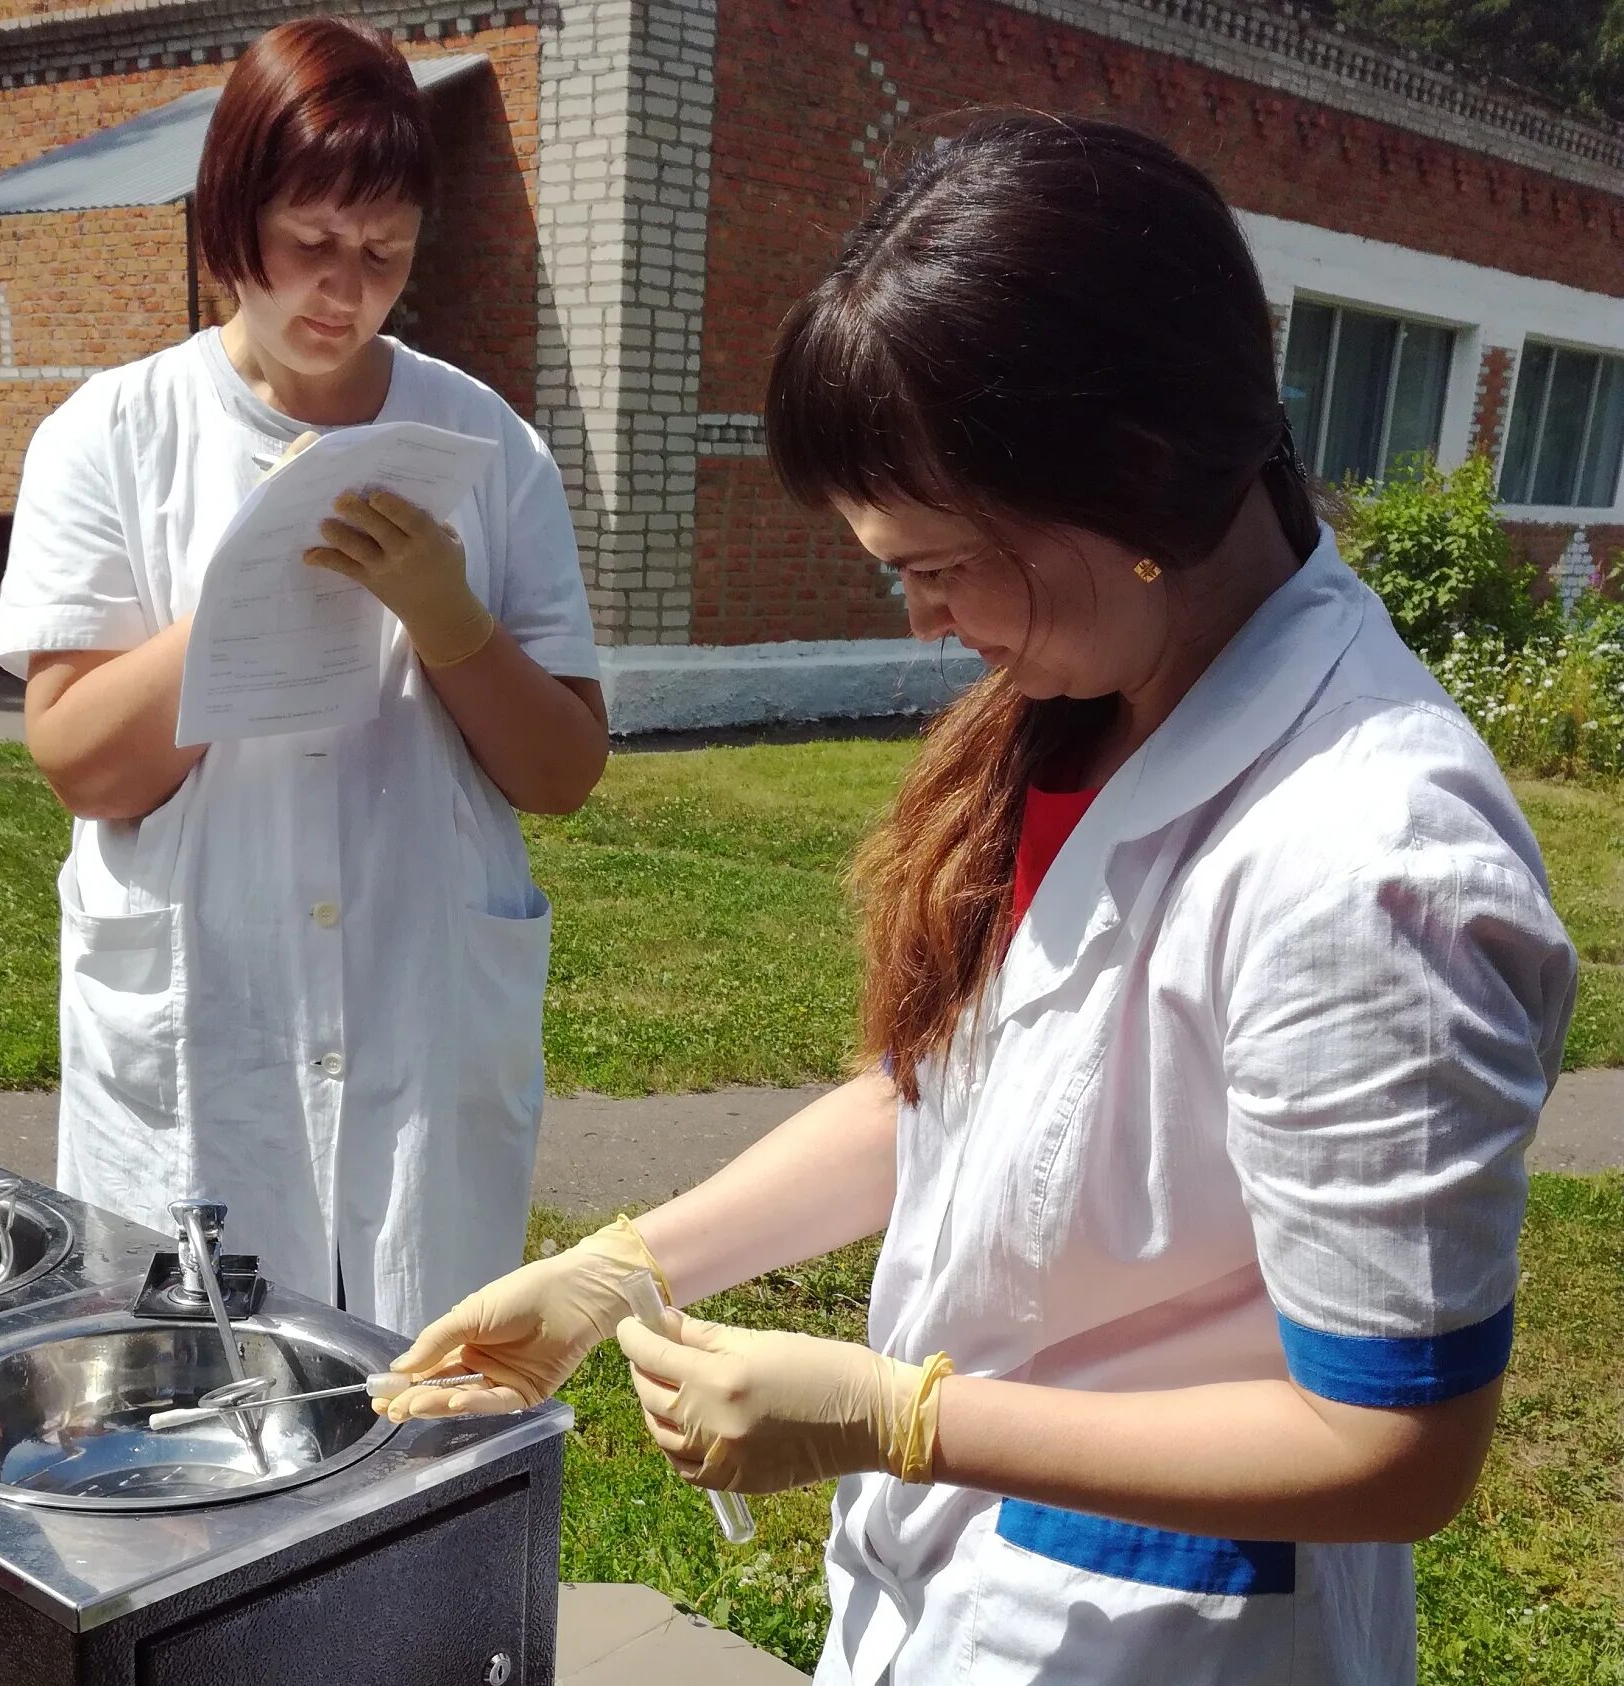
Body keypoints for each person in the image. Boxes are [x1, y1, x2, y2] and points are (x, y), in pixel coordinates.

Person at [379, 115, 1578, 1684]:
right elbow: (958, 1088)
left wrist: (905, 1413)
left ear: (1136, 477)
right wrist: (623, 1268)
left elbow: (1395, 1445)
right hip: (971, 1599)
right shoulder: (1112, 697)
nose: (927, 619)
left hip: (1159, 1635)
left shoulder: (1370, 867)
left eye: (940, 564)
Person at [0, 16, 607, 1334]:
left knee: (414, 1396)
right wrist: (232, 604)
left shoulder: (485, 445)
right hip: (199, 1030)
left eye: (382, 255)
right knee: (188, 1411)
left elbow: (562, 770)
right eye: (310, 245)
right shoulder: (108, 436)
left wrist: (449, 622)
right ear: (231, 219)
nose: (342, 289)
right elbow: (83, 764)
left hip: (421, 1005)